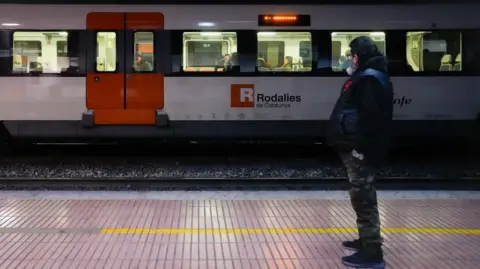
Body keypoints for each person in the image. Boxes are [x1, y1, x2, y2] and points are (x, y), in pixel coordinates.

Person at [325, 36, 393, 268]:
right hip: (356, 147)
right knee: (360, 196)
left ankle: (372, 252)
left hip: (360, 150)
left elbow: (371, 121)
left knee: (363, 198)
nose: (349, 60)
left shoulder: (369, 79)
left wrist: (359, 149)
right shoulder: (367, 76)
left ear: (357, 56)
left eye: (350, 56)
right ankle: (366, 239)